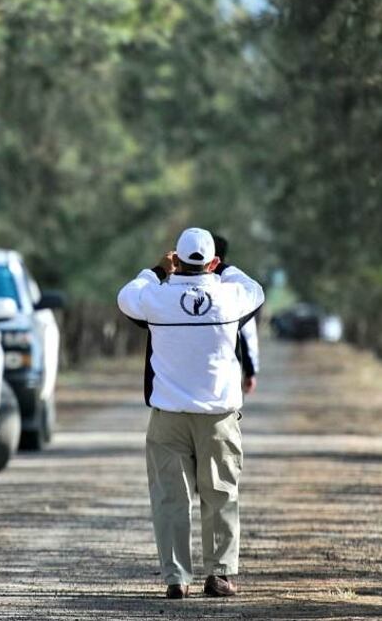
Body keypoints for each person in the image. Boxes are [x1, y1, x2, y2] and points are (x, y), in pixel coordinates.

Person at [116, 227, 264, 599]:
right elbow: (255, 289)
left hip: (168, 417)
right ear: (213, 262)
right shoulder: (230, 298)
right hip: (218, 417)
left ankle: (176, 578)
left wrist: (158, 270)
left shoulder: (157, 298)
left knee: (170, 498)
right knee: (220, 494)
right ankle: (220, 574)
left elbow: (126, 295)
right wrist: (224, 268)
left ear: (176, 260)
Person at [213, 235, 260, 394]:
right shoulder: (233, 290)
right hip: (225, 374)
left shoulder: (178, 290)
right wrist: (250, 370)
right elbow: (246, 333)